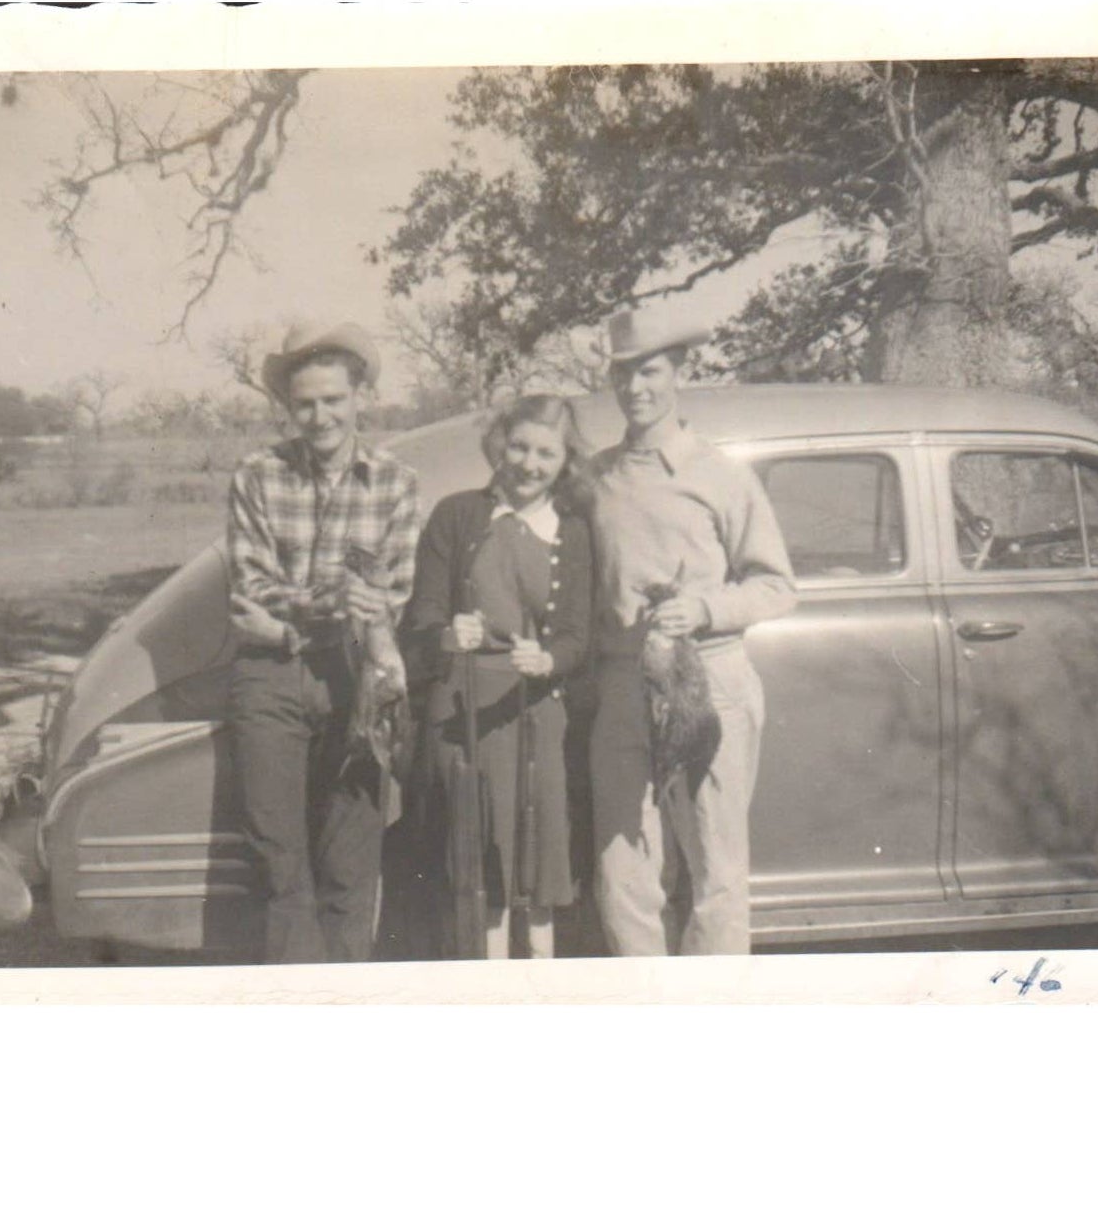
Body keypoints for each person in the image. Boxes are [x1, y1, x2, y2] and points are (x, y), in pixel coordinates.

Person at [588, 307, 795, 956]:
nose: (635, 388)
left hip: (708, 682)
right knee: (622, 870)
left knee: (716, 870)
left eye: (648, 371)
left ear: (678, 371)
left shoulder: (718, 474)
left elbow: (775, 585)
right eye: (622, 374)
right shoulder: (596, 477)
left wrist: (703, 609)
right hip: (623, 685)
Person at [225, 320, 419, 965]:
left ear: (359, 395)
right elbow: (251, 587)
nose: (320, 416)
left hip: (355, 678)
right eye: (305, 403)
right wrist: (333, 600)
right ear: (288, 406)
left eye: (333, 400)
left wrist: (299, 612)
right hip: (271, 680)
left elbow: (393, 597)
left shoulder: (395, 482)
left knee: (349, 861)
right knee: (280, 864)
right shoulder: (257, 475)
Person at [402, 394, 594, 959]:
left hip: (536, 709)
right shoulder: (457, 514)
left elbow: (577, 638)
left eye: (546, 453)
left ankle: (539, 981)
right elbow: (422, 613)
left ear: (565, 460)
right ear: (499, 444)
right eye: (519, 446)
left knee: (539, 867)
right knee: (479, 866)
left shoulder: (574, 529)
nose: (529, 464)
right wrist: (446, 631)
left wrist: (550, 660)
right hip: (466, 713)